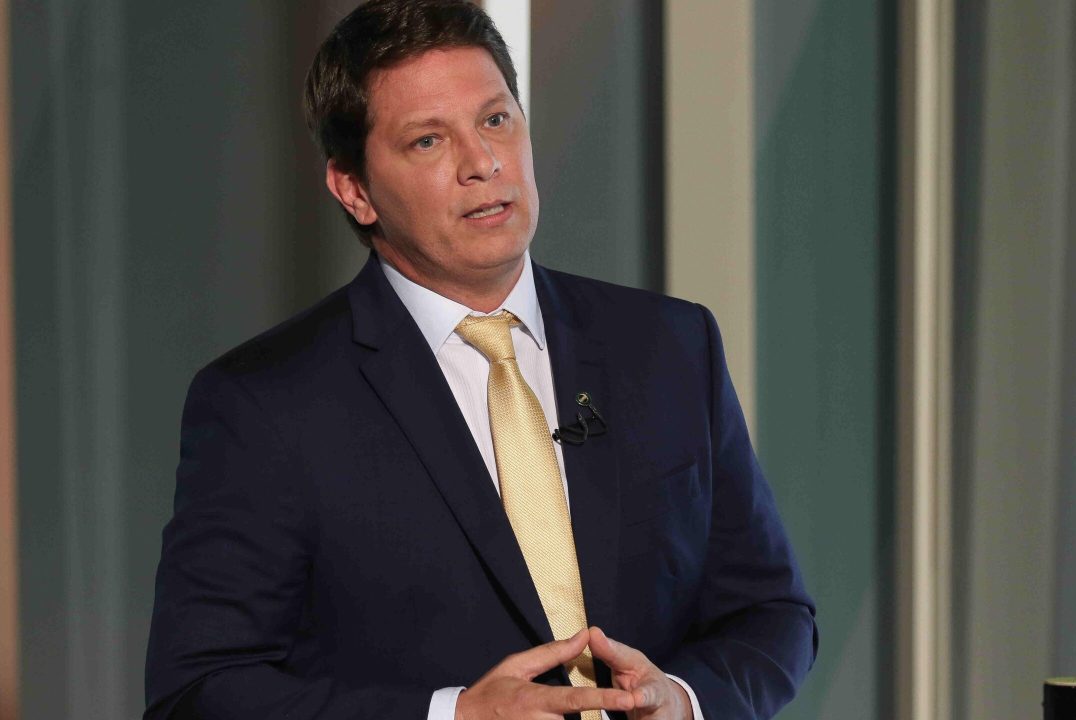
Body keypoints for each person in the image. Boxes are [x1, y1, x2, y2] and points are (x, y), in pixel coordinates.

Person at [143, 1, 816, 718]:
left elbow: (771, 613)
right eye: (429, 140)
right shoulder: (263, 403)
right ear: (354, 189)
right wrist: (454, 715)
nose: (483, 163)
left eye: (495, 120)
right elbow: (198, 692)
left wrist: (682, 701)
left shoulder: (671, 346)